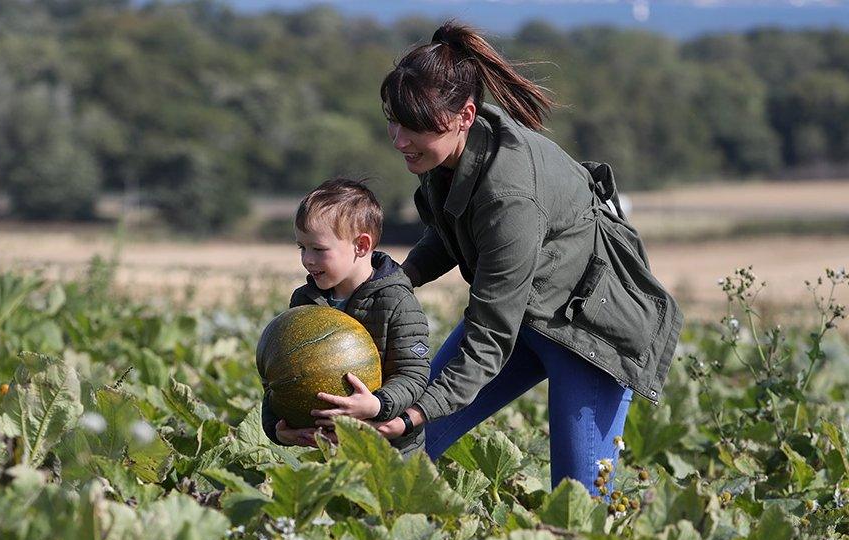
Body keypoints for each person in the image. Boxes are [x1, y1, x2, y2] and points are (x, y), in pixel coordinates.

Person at [368, 21, 682, 493]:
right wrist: (400, 276)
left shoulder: (509, 195)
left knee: (578, 503)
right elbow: (450, 228)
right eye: (393, 119)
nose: (399, 139)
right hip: (525, 315)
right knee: (393, 452)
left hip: (588, 333)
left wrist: (416, 412)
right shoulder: (448, 154)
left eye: (413, 126)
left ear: (464, 115)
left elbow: (490, 333)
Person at [260, 178, 431, 456]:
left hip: (389, 451)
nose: (308, 260)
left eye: (319, 249)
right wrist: (276, 426)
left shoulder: (396, 301)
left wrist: (376, 405)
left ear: (361, 246)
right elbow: (280, 379)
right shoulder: (304, 301)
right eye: (302, 248)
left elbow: (414, 374)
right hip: (325, 451)